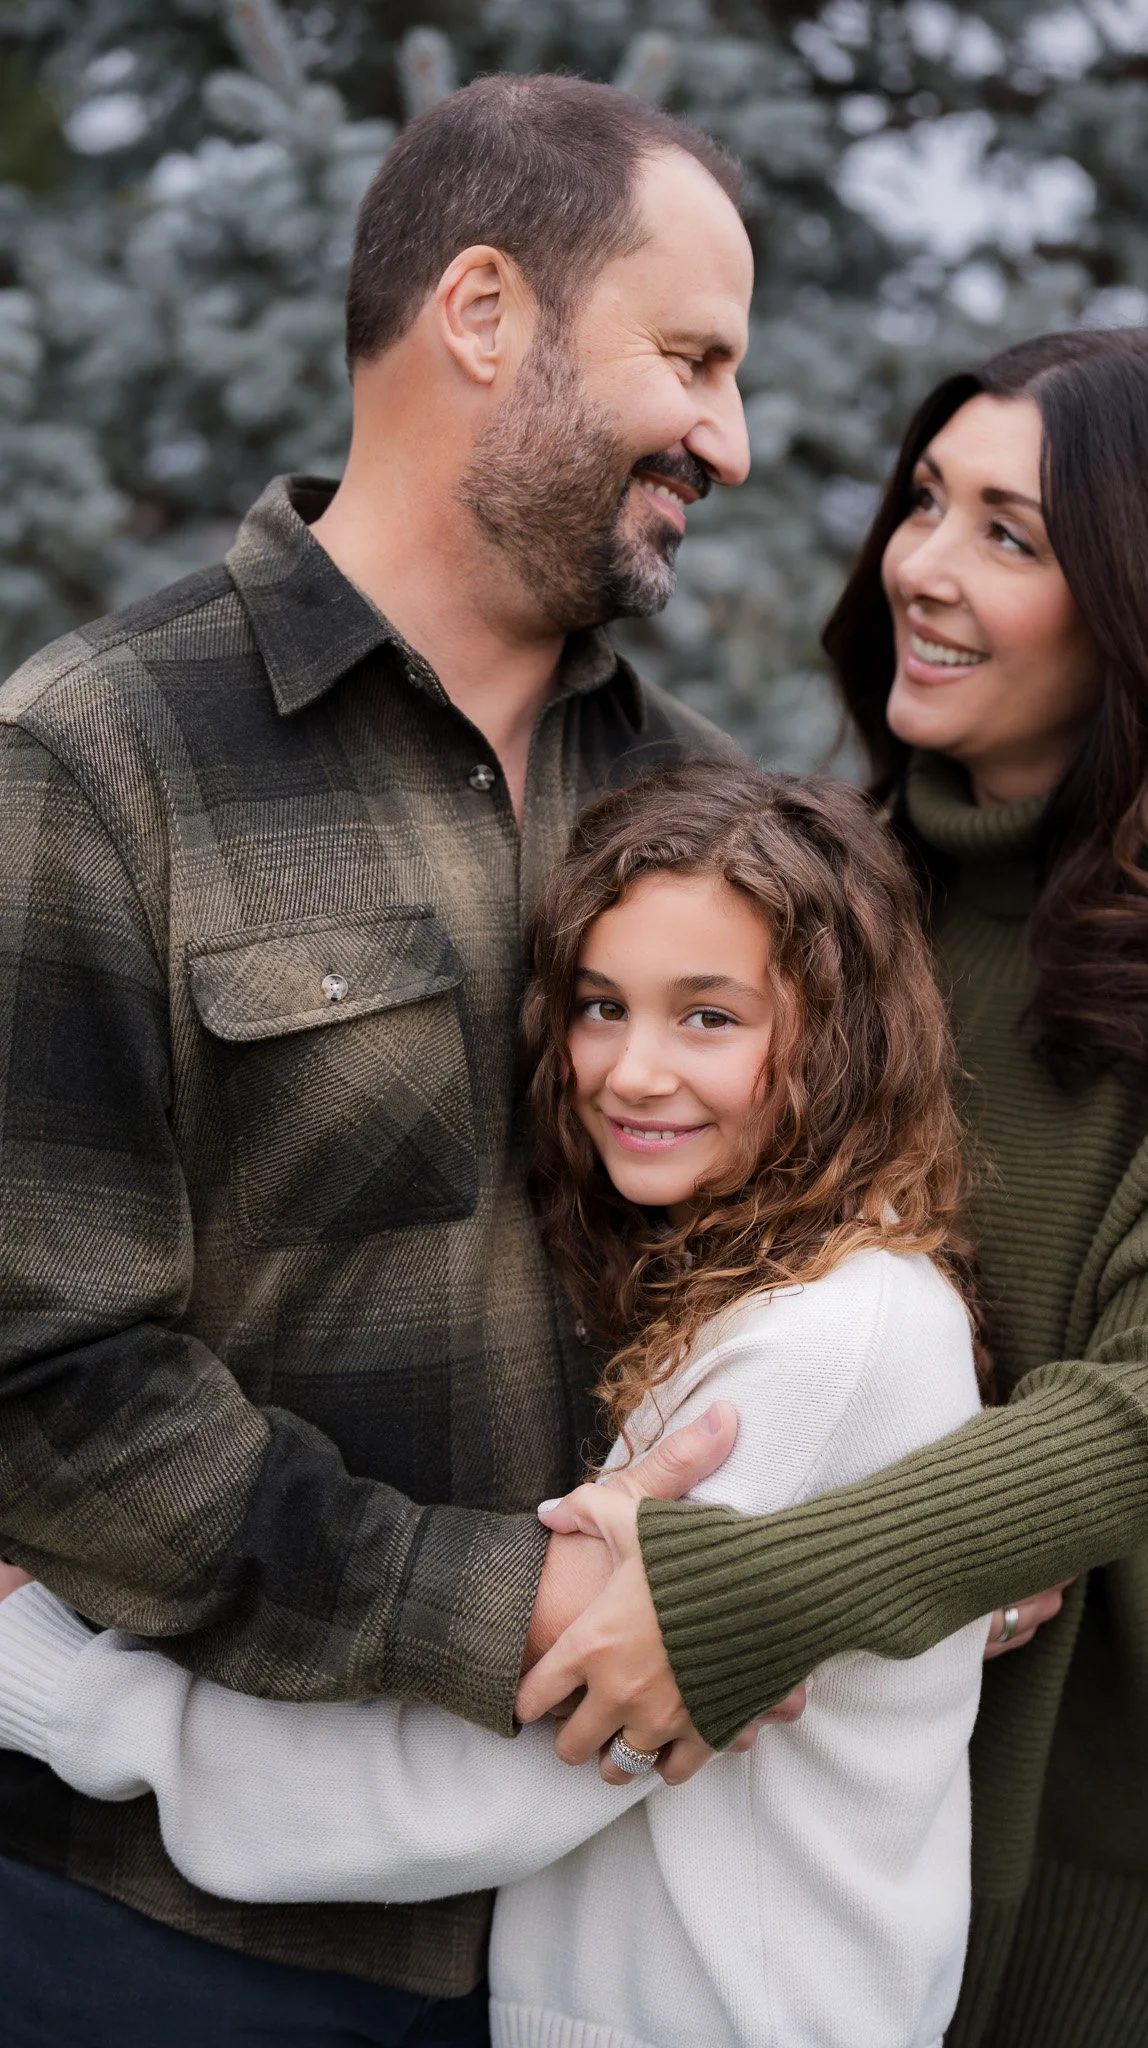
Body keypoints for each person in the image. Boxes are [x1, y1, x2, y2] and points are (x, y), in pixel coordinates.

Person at [0, 72, 761, 2046]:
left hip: (608, 1912)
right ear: (484, 311)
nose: (729, 438)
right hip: (167, 1937)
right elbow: (47, 1375)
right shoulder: (94, 761)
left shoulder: (698, 807)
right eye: (687, 357)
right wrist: (483, 1602)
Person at [512, 330, 1148, 2048]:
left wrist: (746, 1592)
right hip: (864, 1820)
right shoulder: (851, 891)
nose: (921, 565)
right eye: (926, 502)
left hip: (1143, 1855)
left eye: (1011, 534)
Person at [0, 764, 991, 2048]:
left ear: (841, 1035)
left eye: (709, 1017)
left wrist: (65, 1685)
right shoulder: (765, 1279)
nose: (631, 1071)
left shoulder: (825, 1339)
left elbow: (505, 1781)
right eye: (600, 1005)